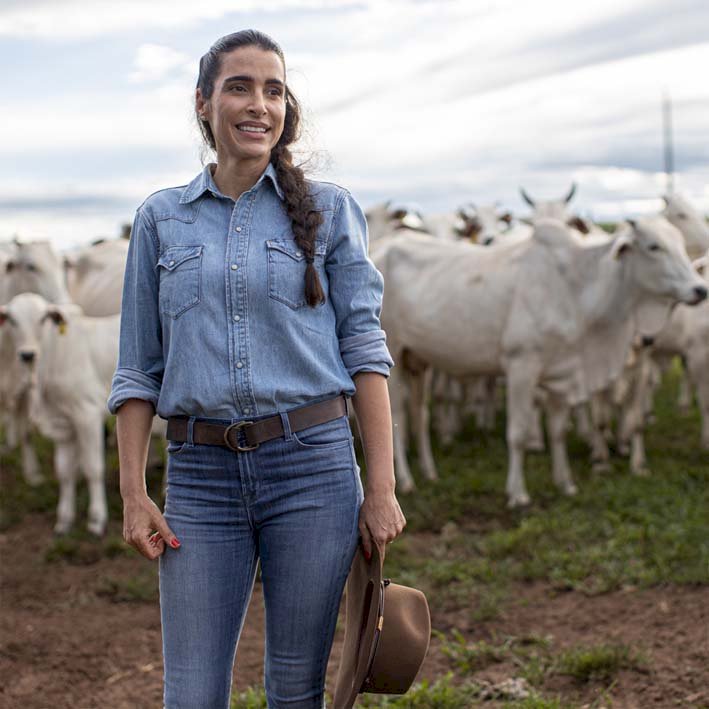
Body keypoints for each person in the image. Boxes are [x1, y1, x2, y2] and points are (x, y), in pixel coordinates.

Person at [106, 29, 406, 709]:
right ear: (203, 102)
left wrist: (380, 488)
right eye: (239, 86)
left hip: (313, 470)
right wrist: (132, 491)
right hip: (199, 477)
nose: (258, 104)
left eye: (273, 89)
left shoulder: (329, 209)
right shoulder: (161, 219)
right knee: (190, 691)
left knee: (295, 689)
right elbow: (137, 369)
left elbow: (365, 351)